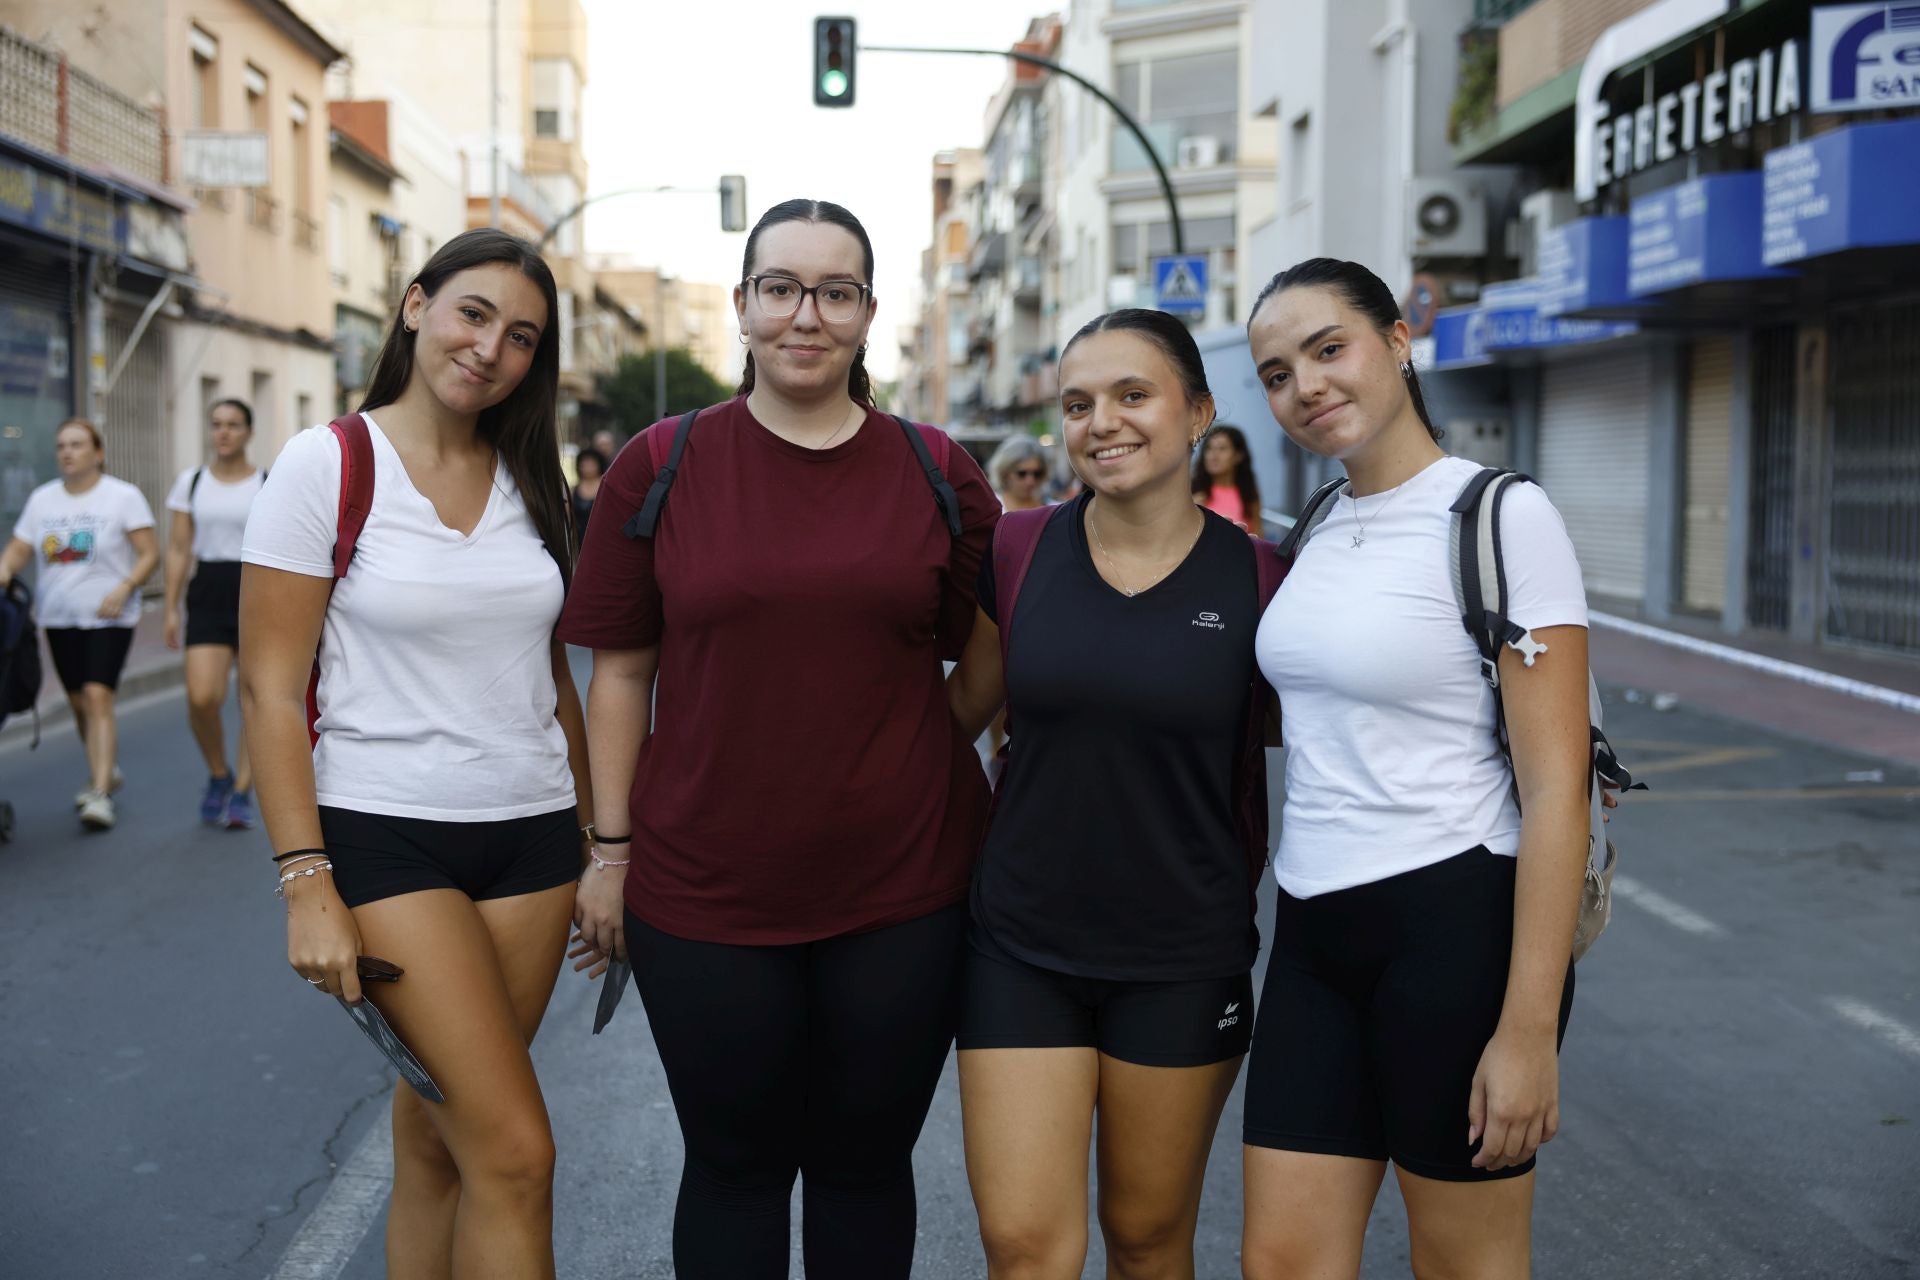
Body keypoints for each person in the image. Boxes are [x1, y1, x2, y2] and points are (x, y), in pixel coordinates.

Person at [560, 197, 999, 1280]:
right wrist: (609, 853)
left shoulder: (938, 468)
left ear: (868, 314)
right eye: (782, 287)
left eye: (835, 291)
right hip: (704, 890)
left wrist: (908, 748)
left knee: (862, 1164)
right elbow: (621, 671)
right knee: (734, 1164)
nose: (808, 314)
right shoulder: (660, 463)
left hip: (905, 889)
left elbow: (989, 650)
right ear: (744, 304)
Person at [238, 228, 593, 1279]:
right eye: (473, 313)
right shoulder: (328, 462)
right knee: (519, 1153)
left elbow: (552, 674)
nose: (490, 348)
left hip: (533, 841)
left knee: (442, 1142)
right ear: (415, 305)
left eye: (522, 335)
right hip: (388, 841)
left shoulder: (532, 475)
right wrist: (305, 880)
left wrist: (599, 842)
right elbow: (268, 683)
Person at [1238, 258, 1591, 1280]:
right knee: (1284, 1262)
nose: (1304, 384)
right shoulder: (1319, 527)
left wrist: (1528, 1029)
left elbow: (1557, 787)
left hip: (1456, 931)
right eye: (1275, 372)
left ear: (1398, 340)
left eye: (1328, 348)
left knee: (1463, 1264)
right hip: (1311, 933)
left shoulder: (1502, 515)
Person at [946, 309, 1277, 1280]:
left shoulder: (1262, 576)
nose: (1103, 422)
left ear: (1197, 410)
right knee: (1025, 1248)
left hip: (1182, 954)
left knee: (1145, 1241)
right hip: (1019, 943)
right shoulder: (1016, 550)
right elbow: (947, 718)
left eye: (1133, 395)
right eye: (1079, 403)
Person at [0, 419, 158, 831]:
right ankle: (103, 767)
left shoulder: (123, 497)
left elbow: (148, 554)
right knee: (77, 703)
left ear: (98, 452)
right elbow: (18, 550)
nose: (67, 452)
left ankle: (100, 793)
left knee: (97, 695)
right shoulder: (42, 501)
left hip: (109, 616)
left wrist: (124, 588)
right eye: (61, 446)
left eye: (77, 444)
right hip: (58, 616)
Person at [164, 398, 266, 828]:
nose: (223, 432)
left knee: (255, 699)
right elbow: (178, 547)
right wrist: (170, 607)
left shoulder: (267, 480)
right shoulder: (191, 483)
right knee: (202, 697)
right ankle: (219, 774)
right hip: (207, 589)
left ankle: (242, 791)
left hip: (257, 590)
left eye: (234, 425)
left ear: (248, 432)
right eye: (217, 424)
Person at [1191, 424, 1263, 535]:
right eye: (1209, 448)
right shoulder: (1191, 492)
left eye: (1222, 449)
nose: (1213, 456)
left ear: (1238, 455)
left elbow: (1259, 537)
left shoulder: (1248, 494)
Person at [987, 436, 1050, 513]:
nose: (1030, 481)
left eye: (1037, 474)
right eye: (1022, 474)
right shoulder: (990, 510)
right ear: (1005, 473)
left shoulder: (1054, 511)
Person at [569, 445, 605, 550]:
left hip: (600, 541)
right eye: (584, 464)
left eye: (592, 464)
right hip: (578, 542)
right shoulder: (572, 490)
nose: (588, 468)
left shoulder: (604, 488)